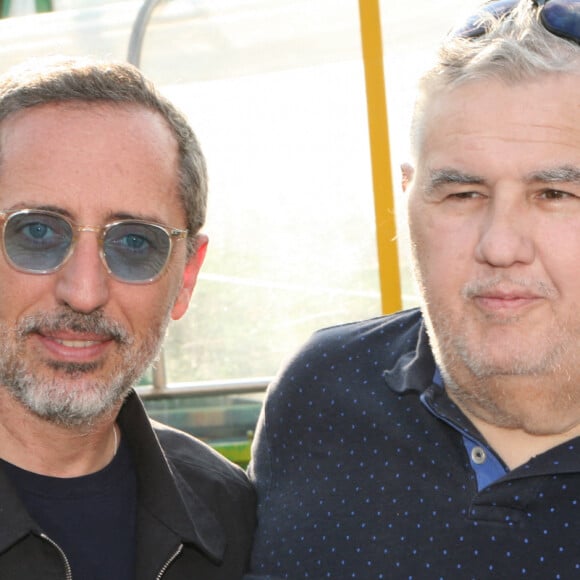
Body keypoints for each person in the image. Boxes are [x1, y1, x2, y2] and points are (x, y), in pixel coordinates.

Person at [245, 0, 580, 577]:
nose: (501, 245)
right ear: (406, 198)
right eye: (462, 194)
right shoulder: (318, 392)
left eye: (555, 194)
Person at [0, 56, 255, 579]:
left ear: (185, 277)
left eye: (135, 242)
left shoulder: (232, 517)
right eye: (37, 233)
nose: (85, 292)